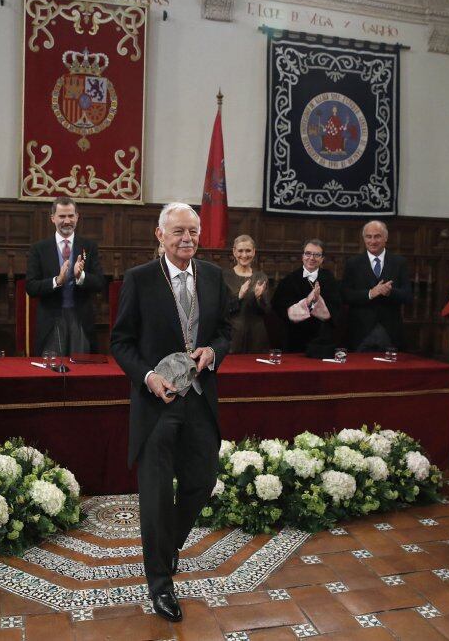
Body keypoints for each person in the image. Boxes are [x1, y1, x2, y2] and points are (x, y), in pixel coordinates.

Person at [110, 203, 230, 622]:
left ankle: (167, 546)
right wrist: (147, 377)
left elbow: (225, 331)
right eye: (179, 231)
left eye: (194, 231)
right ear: (159, 235)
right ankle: (161, 585)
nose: (188, 239)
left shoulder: (214, 276)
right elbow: (120, 342)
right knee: (157, 498)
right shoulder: (139, 279)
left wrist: (214, 350)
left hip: (198, 400)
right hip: (156, 405)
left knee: (203, 480)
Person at [25, 197, 104, 356]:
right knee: (51, 375)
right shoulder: (39, 249)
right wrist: (57, 281)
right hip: (51, 322)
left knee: (82, 373)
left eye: (70, 216)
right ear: (52, 218)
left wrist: (80, 276)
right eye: (62, 216)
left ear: (77, 217)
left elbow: (100, 283)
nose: (67, 221)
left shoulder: (88, 246)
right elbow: (31, 287)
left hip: (80, 321)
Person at [341, 220, 413, 351]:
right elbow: (345, 295)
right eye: (369, 237)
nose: (373, 241)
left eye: (377, 236)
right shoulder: (353, 263)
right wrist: (370, 293)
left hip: (390, 332)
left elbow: (408, 296)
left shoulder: (399, 262)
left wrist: (390, 292)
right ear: (364, 239)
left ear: (385, 237)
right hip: (360, 332)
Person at [272, 239, 340, 353]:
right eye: (308, 253)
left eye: (317, 255)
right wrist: (306, 302)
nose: (312, 258)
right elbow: (279, 307)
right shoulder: (289, 280)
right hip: (294, 337)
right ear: (302, 256)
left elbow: (336, 307)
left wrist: (317, 302)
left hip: (321, 339)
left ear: (322, 259)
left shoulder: (329, 279)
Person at [224, 234, 270, 353]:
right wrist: (239, 296)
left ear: (254, 252)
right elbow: (221, 310)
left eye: (248, 251)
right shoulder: (224, 276)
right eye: (240, 251)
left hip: (257, 336)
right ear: (234, 252)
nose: (244, 255)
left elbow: (266, 311)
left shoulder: (261, 277)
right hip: (233, 336)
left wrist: (258, 297)